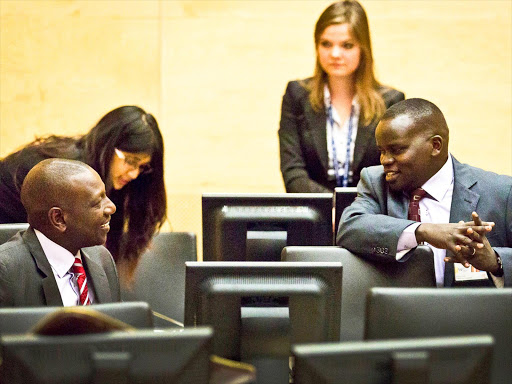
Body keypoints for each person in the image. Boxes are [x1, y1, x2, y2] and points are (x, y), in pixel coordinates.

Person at [337, 98, 511, 288]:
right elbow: (350, 227)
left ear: (435, 146)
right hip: (397, 313)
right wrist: (424, 231)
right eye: (382, 151)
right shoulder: (376, 181)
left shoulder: (501, 192)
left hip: (472, 314)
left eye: (396, 150)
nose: (385, 160)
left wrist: (495, 262)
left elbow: (499, 263)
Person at [0, 105, 166, 279]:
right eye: (131, 160)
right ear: (108, 145)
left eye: (143, 166)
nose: (134, 173)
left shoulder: (107, 181)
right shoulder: (70, 177)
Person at [279, 0, 404, 193]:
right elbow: (293, 172)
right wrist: (331, 206)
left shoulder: (391, 102)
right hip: (314, 212)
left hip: (369, 213)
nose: (335, 54)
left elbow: (393, 172)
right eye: (326, 44)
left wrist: (355, 211)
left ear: (363, 49)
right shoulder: (296, 95)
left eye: (346, 45)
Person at [0, 158, 121, 306]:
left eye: (106, 196)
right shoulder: (6, 272)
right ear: (59, 219)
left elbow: (116, 326)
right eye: (97, 203)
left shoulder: (101, 258)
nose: (111, 207)